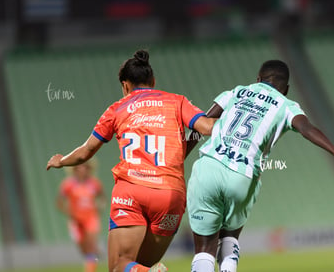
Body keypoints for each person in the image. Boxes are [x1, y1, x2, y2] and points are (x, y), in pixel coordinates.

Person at [46, 49, 216, 272]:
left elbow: (86, 152)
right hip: (170, 195)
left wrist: (62, 161)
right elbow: (207, 128)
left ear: (125, 86)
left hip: (131, 192)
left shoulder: (117, 109)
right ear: (153, 81)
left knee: (120, 266)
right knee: (140, 266)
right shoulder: (177, 102)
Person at [186, 60, 334, 272]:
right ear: (286, 89)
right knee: (229, 237)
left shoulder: (236, 92)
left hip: (209, 168)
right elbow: (306, 128)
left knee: (204, 248)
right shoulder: (286, 105)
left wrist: (180, 156)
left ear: (258, 80)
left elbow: (200, 123)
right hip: (243, 176)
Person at [56, 160, 105, 272]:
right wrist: (69, 213)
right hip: (76, 221)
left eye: (85, 167)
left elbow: (102, 198)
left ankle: (91, 262)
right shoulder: (68, 184)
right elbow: (59, 202)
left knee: (90, 247)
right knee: (84, 249)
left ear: (89, 169)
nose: (82, 170)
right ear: (74, 170)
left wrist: (99, 208)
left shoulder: (94, 183)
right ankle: (94, 252)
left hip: (91, 219)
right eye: (79, 167)